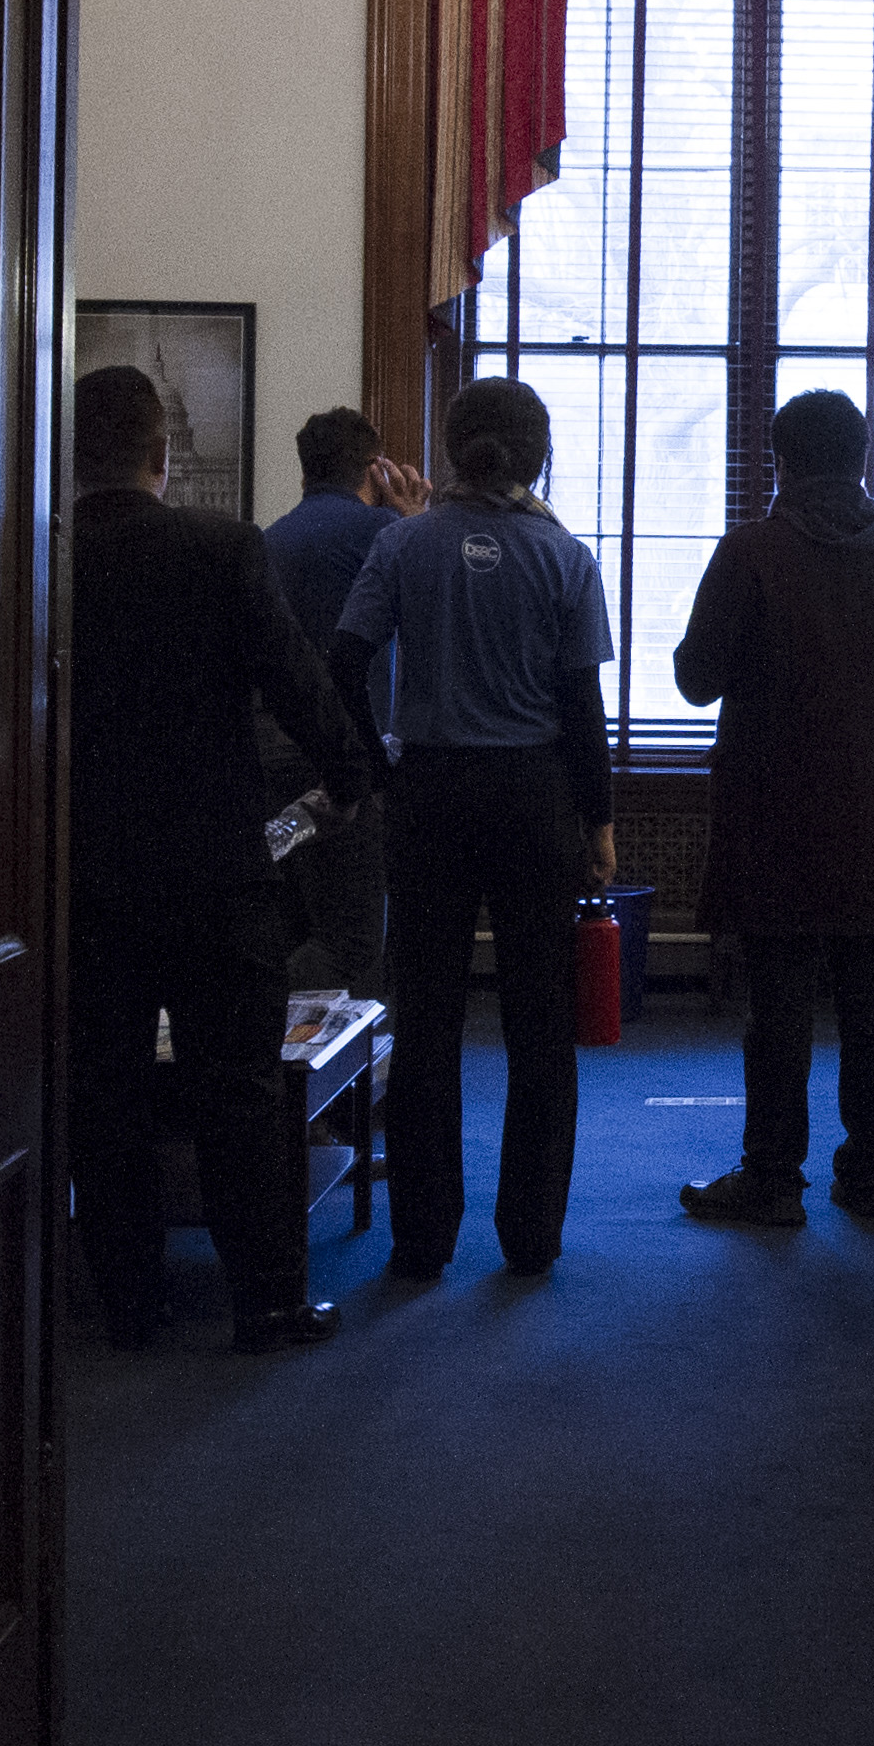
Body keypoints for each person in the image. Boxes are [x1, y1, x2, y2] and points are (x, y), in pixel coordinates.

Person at [67, 361, 377, 1354]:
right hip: (216, 859)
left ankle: (128, 1302)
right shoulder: (220, 546)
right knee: (239, 1088)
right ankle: (267, 1302)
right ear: (164, 454)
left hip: (87, 865)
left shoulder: (37, 556)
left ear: (72, 456)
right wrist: (349, 772)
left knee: (104, 1088)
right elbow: (296, 682)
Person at [332, 375, 615, 1278]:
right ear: (537, 456)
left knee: (426, 1022)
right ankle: (530, 1238)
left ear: (454, 449)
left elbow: (342, 662)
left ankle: (423, 1239)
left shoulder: (403, 543)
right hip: (534, 798)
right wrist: (598, 821)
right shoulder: (567, 556)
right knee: (540, 1021)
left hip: (432, 795)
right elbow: (582, 708)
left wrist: (378, 769)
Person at [669, 389, 874, 1226]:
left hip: (775, 813)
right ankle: (870, 1174)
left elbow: (695, 680)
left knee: (779, 1012)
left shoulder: (752, 551)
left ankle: (772, 1177)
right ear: (863, 458)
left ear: (779, 461)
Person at [257, 405, 424, 997]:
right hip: (348, 766)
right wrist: (412, 518)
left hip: (270, 763)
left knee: (294, 923)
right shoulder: (388, 537)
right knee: (355, 942)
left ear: (304, 472)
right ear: (375, 470)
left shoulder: (267, 540)